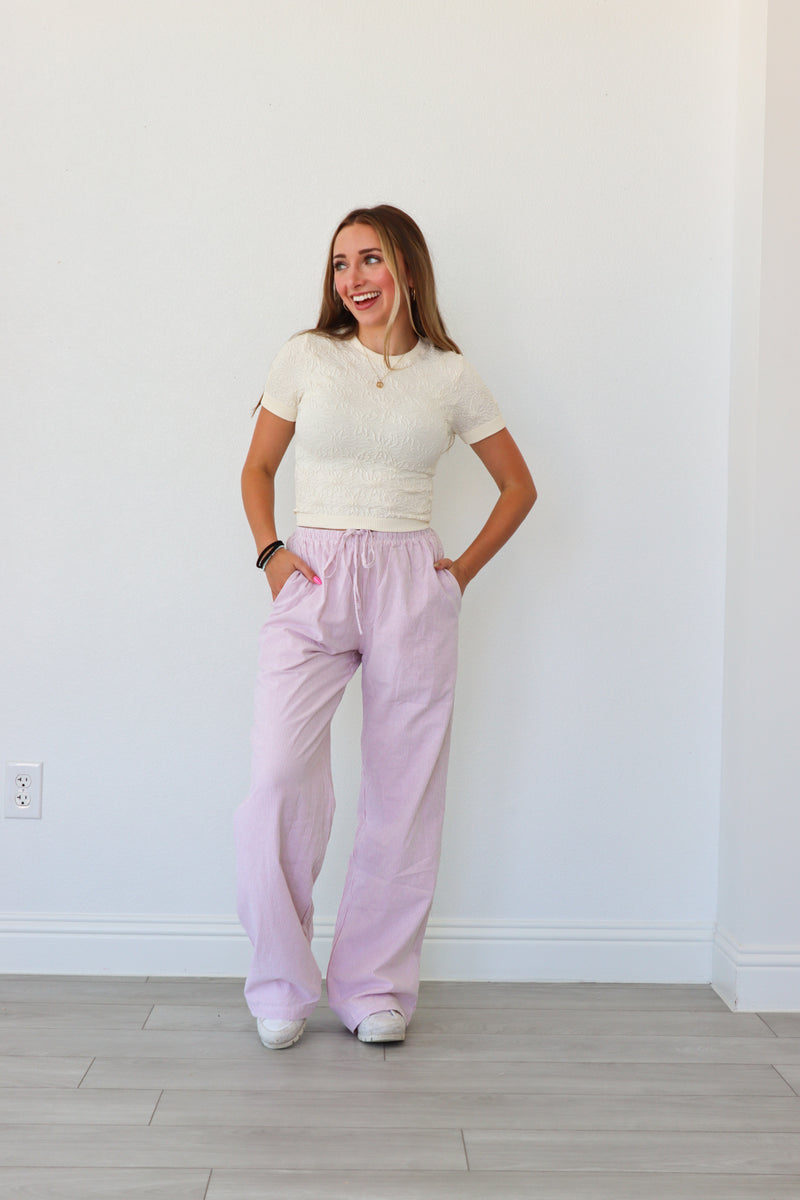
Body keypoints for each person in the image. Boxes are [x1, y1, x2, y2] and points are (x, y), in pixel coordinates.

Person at [235, 204, 536, 1050]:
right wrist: (271, 555)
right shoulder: (307, 356)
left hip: (412, 579)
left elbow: (519, 486)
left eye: (369, 260)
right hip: (314, 574)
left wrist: (457, 576)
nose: (354, 279)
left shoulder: (449, 374)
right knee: (276, 781)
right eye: (340, 265)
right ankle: (281, 982)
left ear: (407, 268)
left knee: (403, 793)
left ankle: (371, 985)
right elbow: (258, 466)